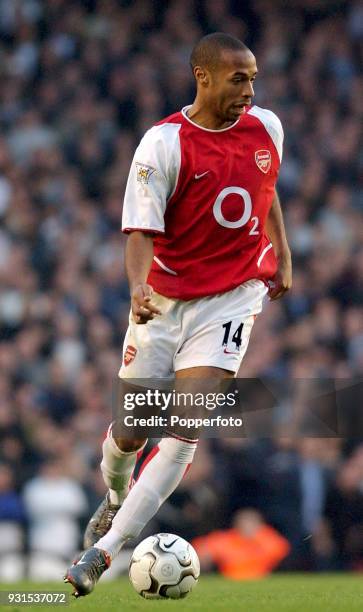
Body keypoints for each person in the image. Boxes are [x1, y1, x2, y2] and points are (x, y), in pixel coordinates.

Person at [64, 32, 292, 597]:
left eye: (254, 78)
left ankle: (103, 551)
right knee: (130, 430)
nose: (250, 89)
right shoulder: (163, 143)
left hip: (232, 297)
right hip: (163, 302)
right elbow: (141, 230)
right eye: (239, 78)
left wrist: (281, 251)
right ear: (204, 76)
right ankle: (116, 497)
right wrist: (138, 284)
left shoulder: (268, 128)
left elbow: (267, 189)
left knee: (185, 428)